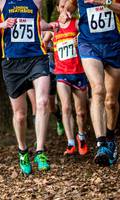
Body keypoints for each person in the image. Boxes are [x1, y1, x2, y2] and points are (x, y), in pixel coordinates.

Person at [0, 0, 59, 174]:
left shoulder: (36, 1)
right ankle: (23, 150)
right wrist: (2, 24)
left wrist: (50, 26)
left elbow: (38, 21)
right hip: (12, 63)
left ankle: (40, 151)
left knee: (43, 102)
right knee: (20, 115)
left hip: (37, 57)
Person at [60, 0, 120, 165]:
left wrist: (104, 2)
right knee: (98, 90)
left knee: (111, 102)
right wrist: (67, 12)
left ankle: (110, 137)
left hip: (114, 45)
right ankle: (101, 145)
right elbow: (71, 4)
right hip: (89, 45)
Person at [44, 0, 89, 156]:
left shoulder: (76, 24)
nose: (65, 9)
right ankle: (70, 142)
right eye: (61, 6)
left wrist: (80, 39)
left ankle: (81, 136)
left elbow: (87, 34)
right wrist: (46, 43)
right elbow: (43, 41)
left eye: (67, 6)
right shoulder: (54, 28)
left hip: (79, 72)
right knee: (65, 107)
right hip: (61, 73)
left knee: (81, 112)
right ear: (57, 8)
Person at [43, 32, 65, 136]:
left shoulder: (50, 32)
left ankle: (59, 118)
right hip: (37, 74)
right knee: (39, 105)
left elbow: (61, 46)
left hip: (52, 71)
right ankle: (39, 139)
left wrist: (47, 48)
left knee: (52, 107)